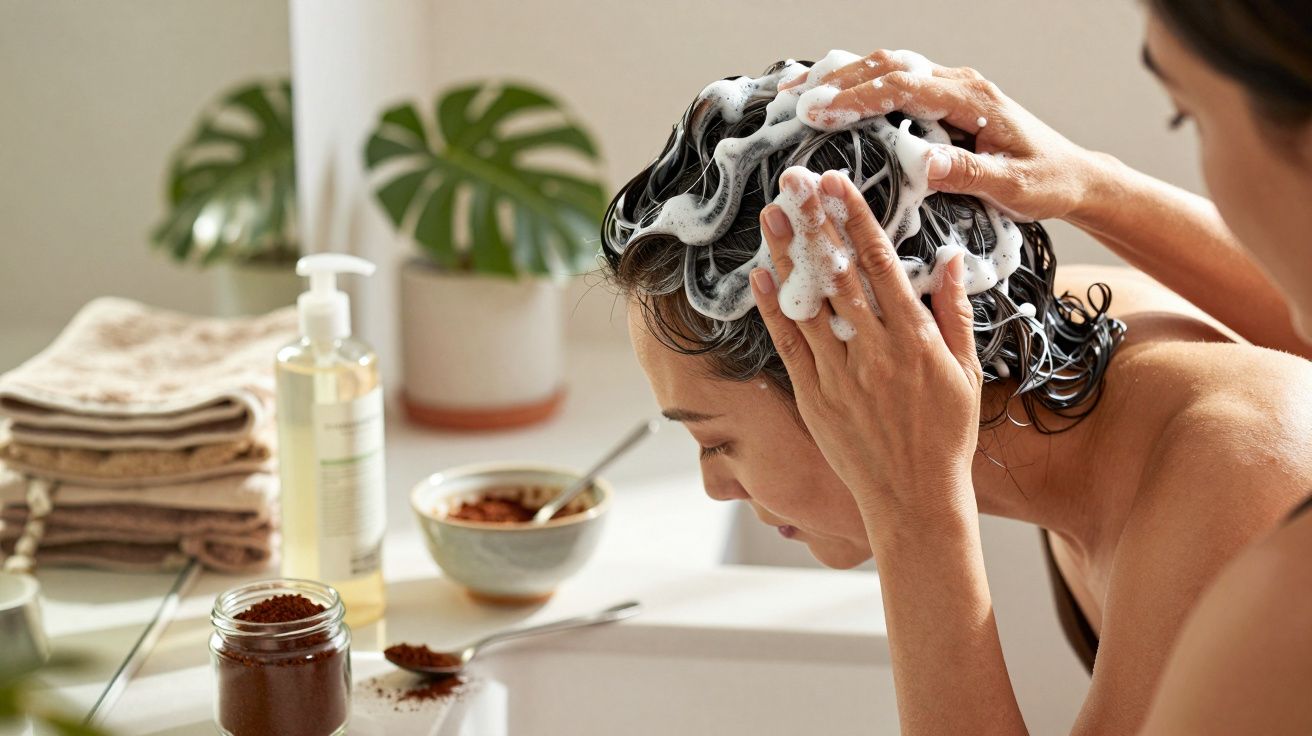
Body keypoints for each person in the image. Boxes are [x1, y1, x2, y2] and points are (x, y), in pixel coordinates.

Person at [600, 42, 1312, 735]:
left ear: (857, 371)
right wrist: (1092, 185)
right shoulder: (1049, 341)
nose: (716, 486)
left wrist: (915, 511)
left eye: (716, 441)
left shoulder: (1237, 478)